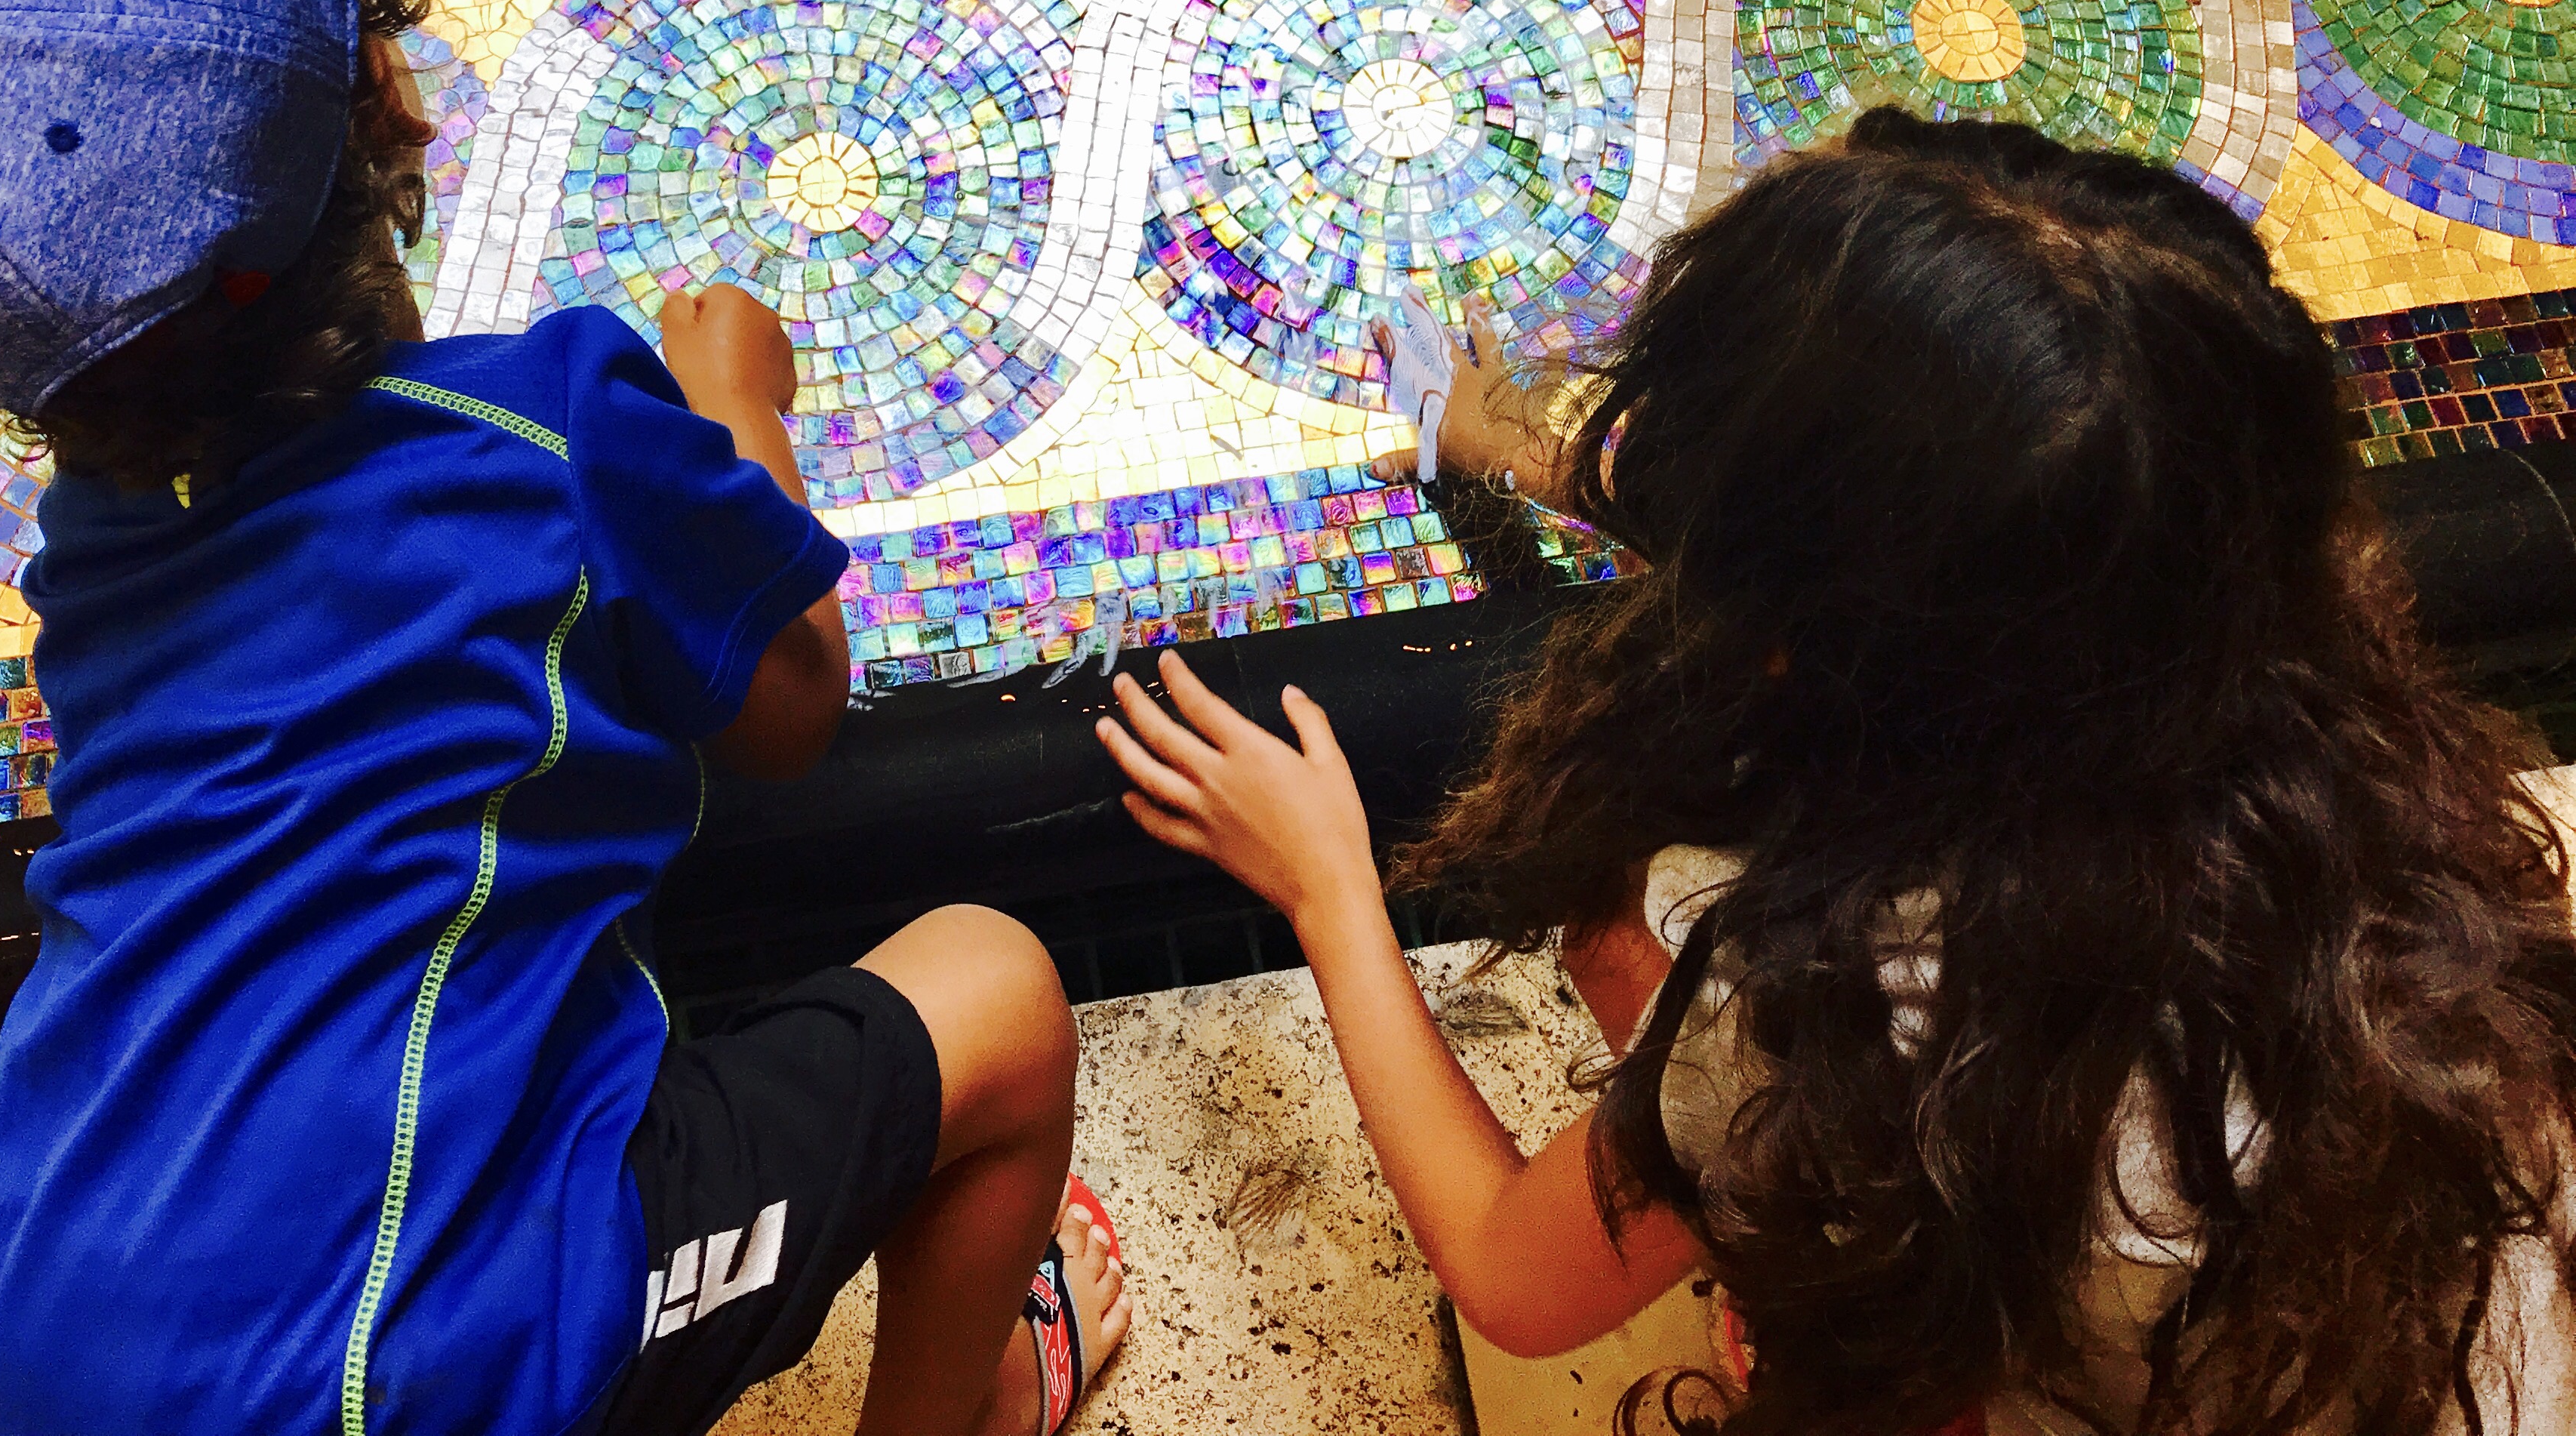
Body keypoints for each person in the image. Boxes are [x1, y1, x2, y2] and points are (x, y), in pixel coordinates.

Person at [0, 0, 1126, 1436]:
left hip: (52, 1310)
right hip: (414, 1364)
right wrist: (743, 408)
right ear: (389, 88)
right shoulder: (552, 433)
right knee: (1000, 998)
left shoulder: (97, 537)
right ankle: (975, 1405)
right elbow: (790, 705)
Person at [1097, 108, 2576, 1434]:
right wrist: (1505, 444)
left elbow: (1510, 1275)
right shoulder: (2309, 702)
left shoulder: (1874, 1006)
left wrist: (1330, 884)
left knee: (1628, 938)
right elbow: (1950, 535)